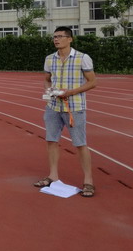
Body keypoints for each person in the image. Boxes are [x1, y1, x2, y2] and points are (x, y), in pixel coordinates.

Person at [33, 26, 98, 197]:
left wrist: (70, 92)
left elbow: (92, 82)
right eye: (54, 37)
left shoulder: (82, 58)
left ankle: (88, 181)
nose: (56, 39)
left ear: (70, 39)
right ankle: (53, 176)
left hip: (74, 107)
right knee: (51, 140)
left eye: (60, 36)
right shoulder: (49, 59)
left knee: (80, 143)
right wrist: (49, 91)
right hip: (53, 107)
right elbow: (47, 80)